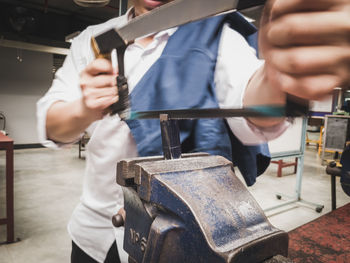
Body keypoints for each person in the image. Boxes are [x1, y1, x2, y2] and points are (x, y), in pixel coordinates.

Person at [36, 0, 350, 262]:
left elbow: (251, 104)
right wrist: (83, 109)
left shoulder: (216, 30)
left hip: (181, 238)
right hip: (93, 235)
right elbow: (52, 125)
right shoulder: (93, 39)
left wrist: (280, 76)